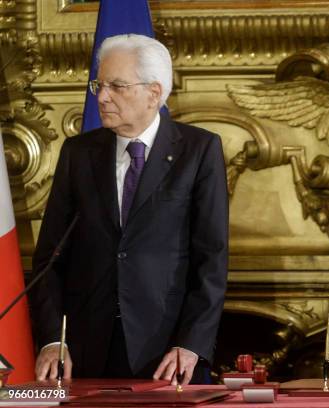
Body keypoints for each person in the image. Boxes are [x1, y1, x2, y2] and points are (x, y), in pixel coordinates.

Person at [29, 34, 228, 385]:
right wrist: (51, 339)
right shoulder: (78, 154)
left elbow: (211, 260)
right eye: (99, 85)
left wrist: (191, 344)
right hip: (85, 353)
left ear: (154, 92)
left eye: (117, 86)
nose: (102, 97)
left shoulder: (198, 150)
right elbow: (50, 258)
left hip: (167, 354)